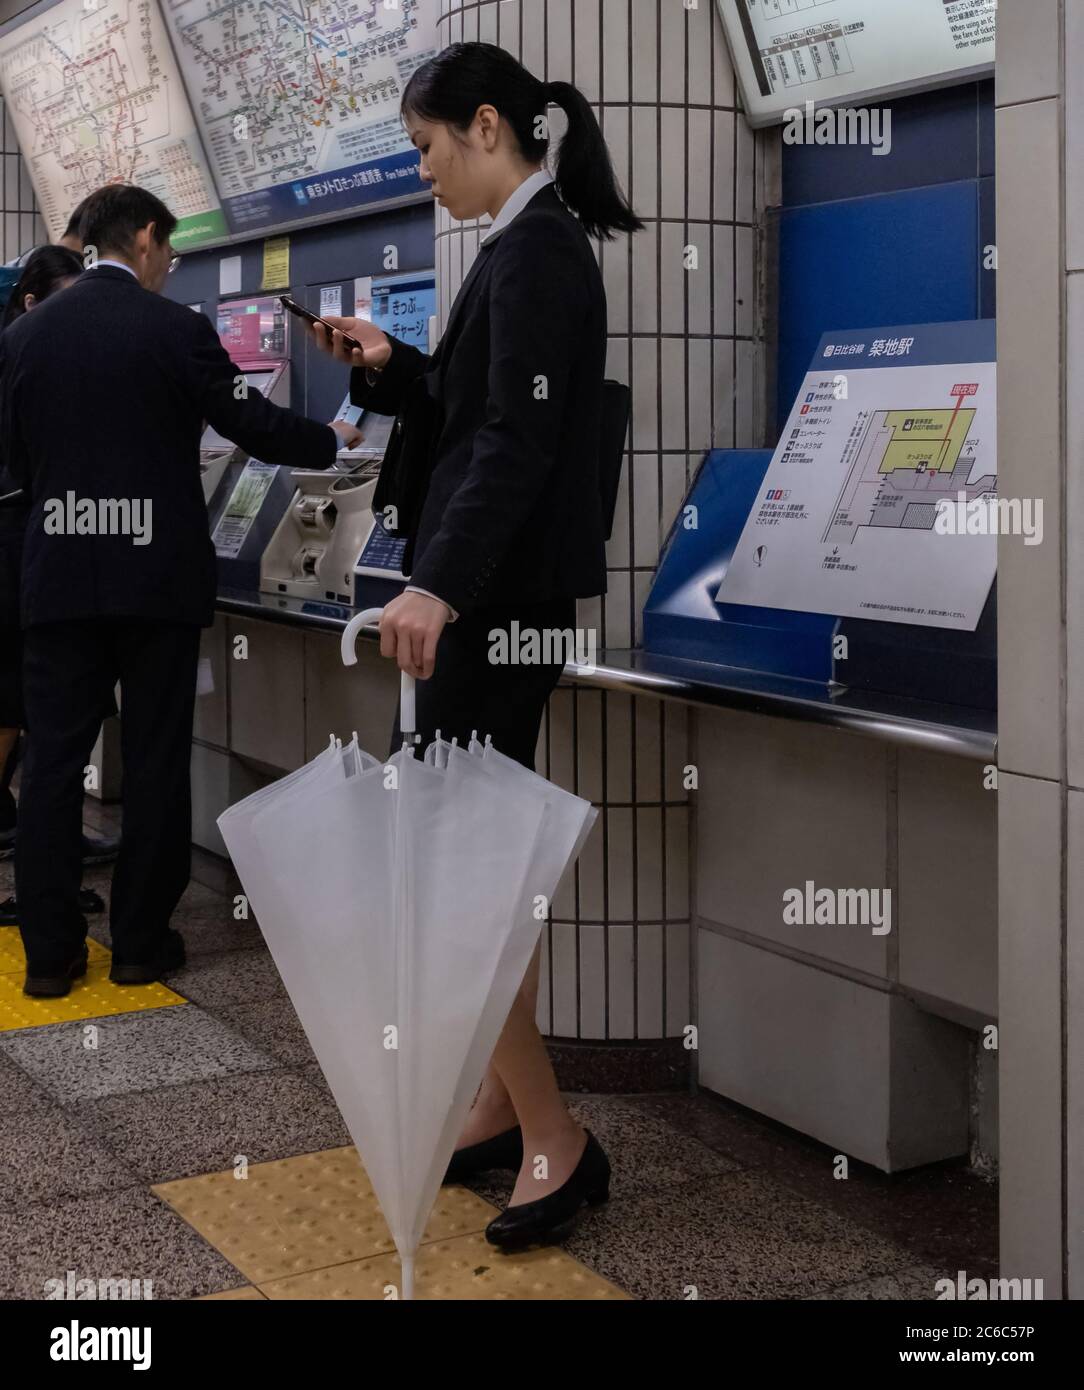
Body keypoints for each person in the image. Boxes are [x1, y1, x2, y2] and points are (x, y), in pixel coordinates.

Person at [312, 41, 643, 1250]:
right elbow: (473, 411)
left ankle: (558, 1135)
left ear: (488, 125)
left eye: (426, 145)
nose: (424, 171)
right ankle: (504, 1104)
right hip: (489, 605)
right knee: (480, 865)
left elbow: (513, 445)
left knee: (462, 876)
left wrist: (438, 587)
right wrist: (397, 372)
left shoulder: (541, 253)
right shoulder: (519, 251)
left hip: (492, 611)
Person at [0, 183, 360, 998]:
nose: (169, 267)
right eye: (171, 252)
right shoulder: (175, 329)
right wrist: (331, 440)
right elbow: (252, 425)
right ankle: (138, 945)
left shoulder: (26, 336)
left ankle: (51, 957)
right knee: (158, 757)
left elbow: (15, 460)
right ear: (150, 238)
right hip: (155, 580)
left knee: (53, 762)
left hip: (57, 575)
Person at [0, 245, 117, 924]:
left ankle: (43, 870)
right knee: (44, 722)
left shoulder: (21, 353)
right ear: (32, 305)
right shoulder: (28, 360)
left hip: (30, 557)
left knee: (31, 717)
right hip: (23, 560)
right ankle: (46, 886)